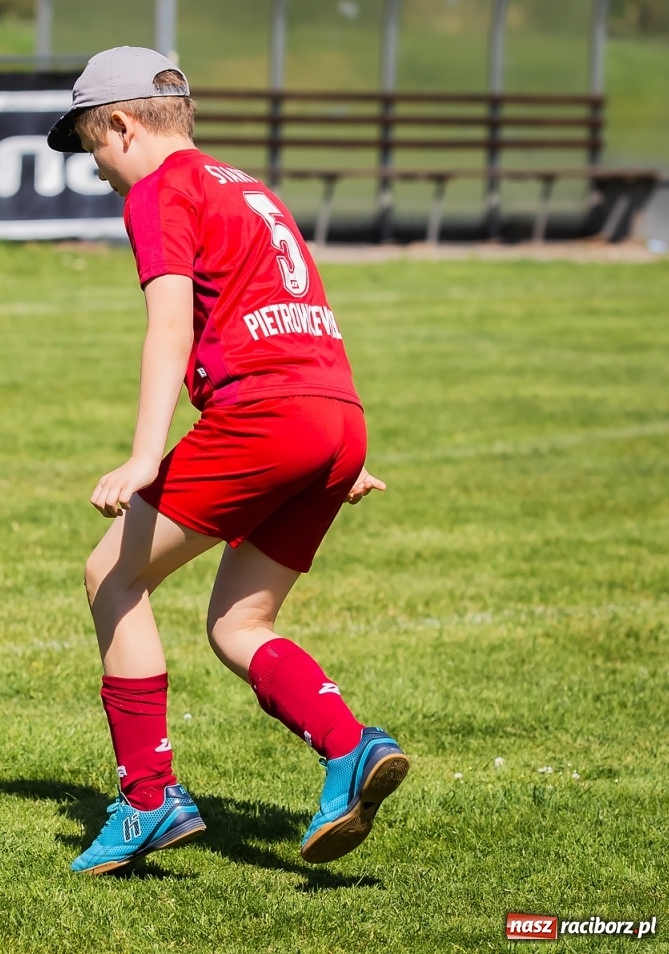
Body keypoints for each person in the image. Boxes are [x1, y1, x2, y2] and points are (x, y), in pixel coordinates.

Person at [43, 47, 402, 875]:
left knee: (113, 575)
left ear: (123, 126)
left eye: (93, 146)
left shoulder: (158, 192)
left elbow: (169, 324)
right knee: (238, 622)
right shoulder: (248, 187)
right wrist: (337, 452)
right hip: (335, 414)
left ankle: (147, 797)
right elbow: (300, 310)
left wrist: (143, 457)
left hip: (267, 416)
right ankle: (352, 749)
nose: (98, 169)